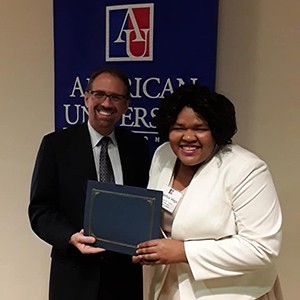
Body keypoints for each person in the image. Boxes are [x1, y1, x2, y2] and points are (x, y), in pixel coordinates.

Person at [133, 84, 283, 300]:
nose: (188, 137)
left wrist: (183, 252)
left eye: (200, 128)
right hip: (166, 286)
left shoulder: (246, 169)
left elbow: (262, 249)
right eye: (178, 127)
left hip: (228, 292)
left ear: (217, 131)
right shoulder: (163, 155)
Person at [29, 67, 149, 300]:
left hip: (125, 277)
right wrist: (70, 236)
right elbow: (40, 211)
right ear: (86, 98)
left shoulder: (137, 147)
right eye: (99, 94)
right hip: (74, 276)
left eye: (116, 97)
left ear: (126, 105)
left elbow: (144, 204)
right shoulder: (56, 145)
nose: (106, 103)